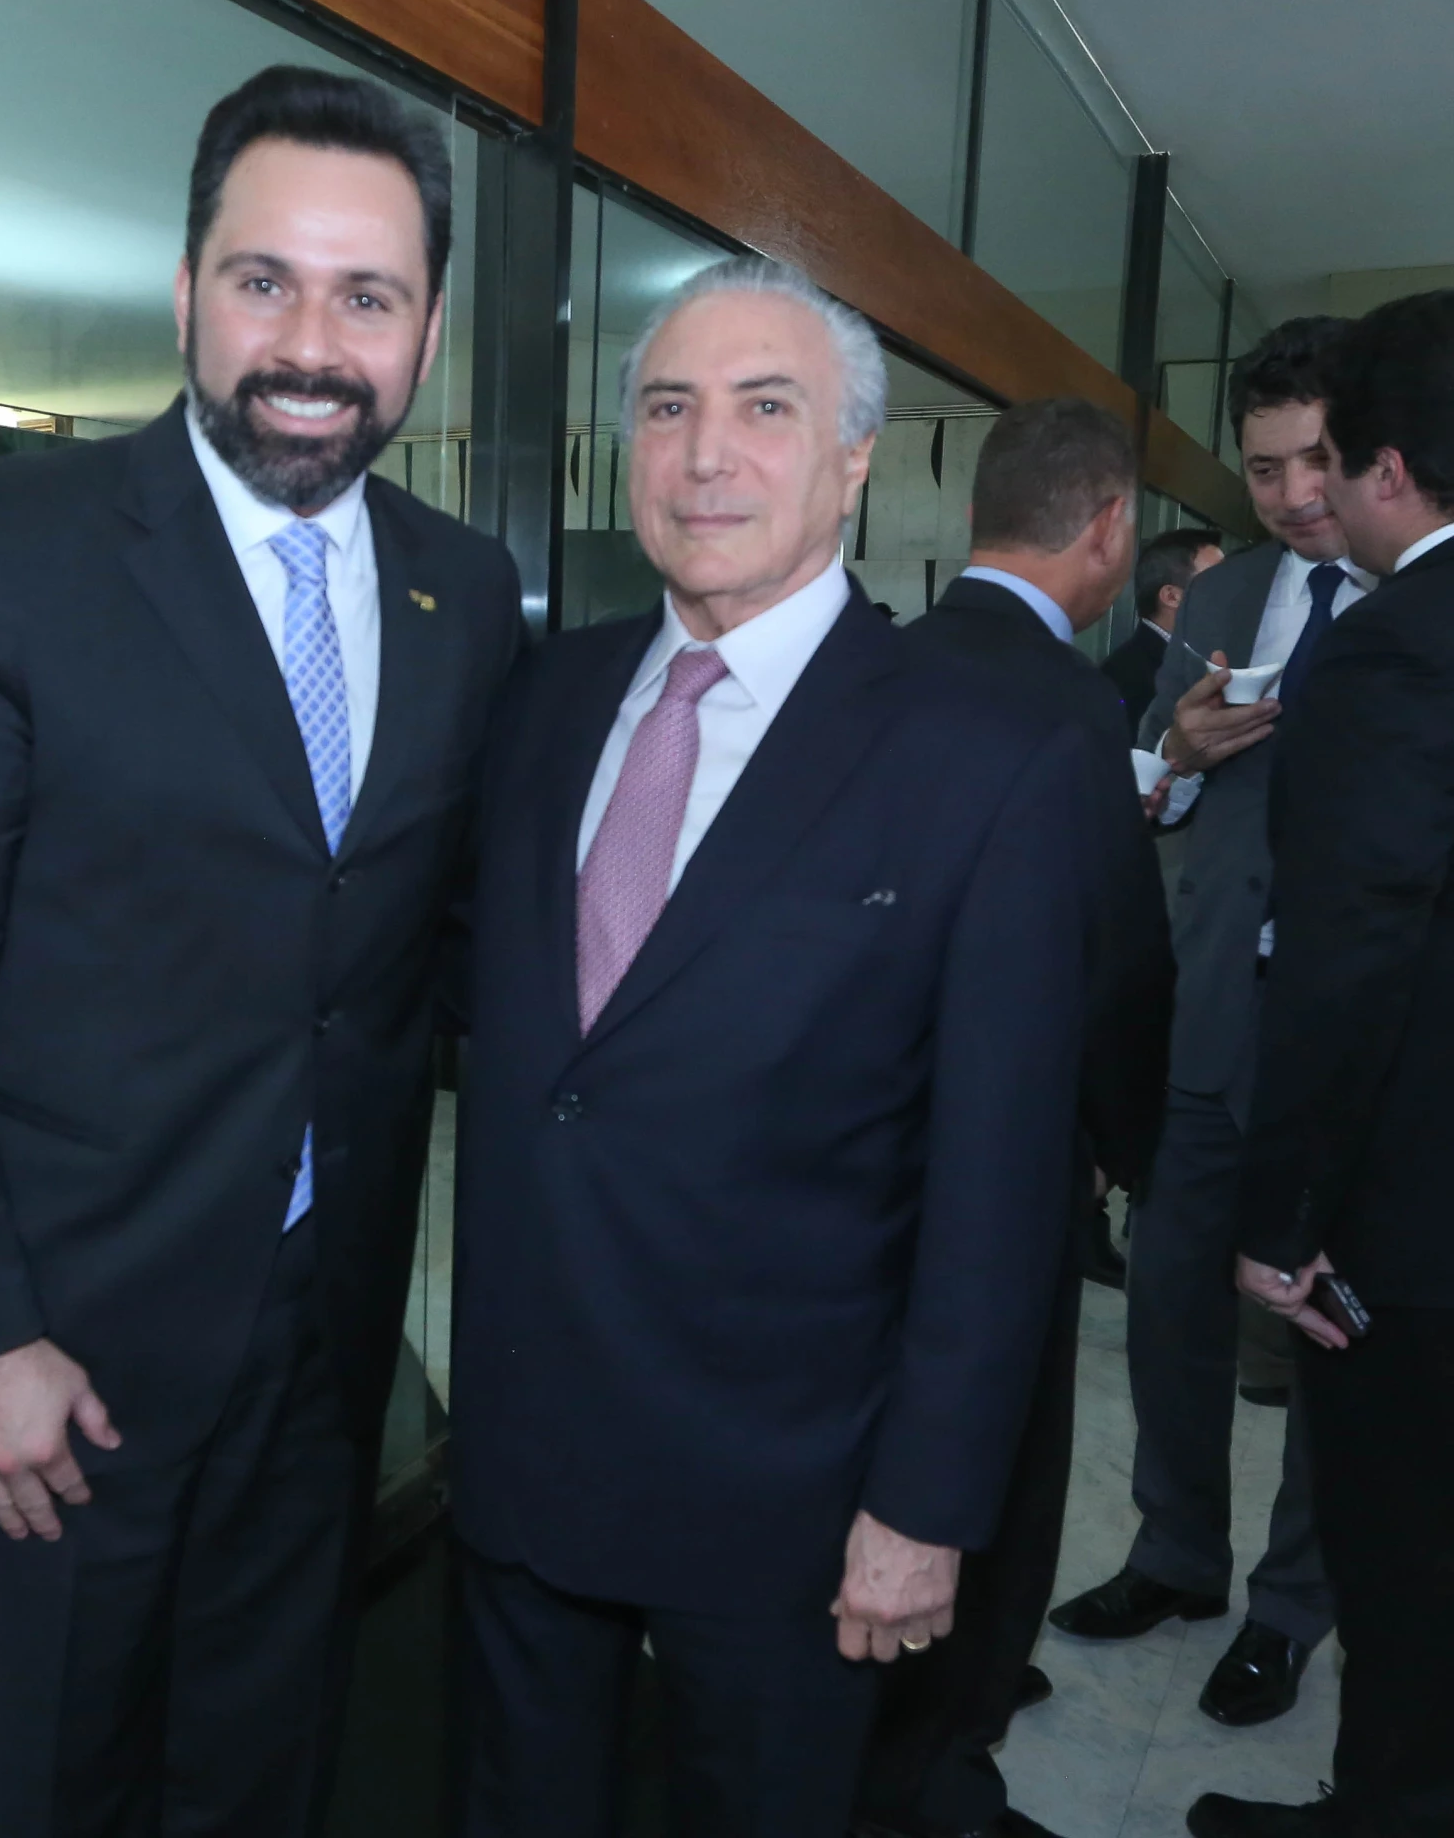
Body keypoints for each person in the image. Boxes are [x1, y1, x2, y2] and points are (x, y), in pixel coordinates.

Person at [0, 66, 522, 1838]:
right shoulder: (4, 548)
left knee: (263, 1757)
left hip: (332, 1332)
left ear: (427, 329)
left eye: (367, 295)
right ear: (188, 287)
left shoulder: (466, 590)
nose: (310, 339)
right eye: (263, 279)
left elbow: (433, 944)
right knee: (54, 1777)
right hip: (65, 1355)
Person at [448, 255, 1092, 1838]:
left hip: (795, 1507)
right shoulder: (550, 697)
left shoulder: (985, 756)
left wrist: (928, 1510)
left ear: (854, 461)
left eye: (764, 408)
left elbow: (1002, 1189)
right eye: (669, 409)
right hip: (525, 1458)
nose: (705, 454)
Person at [853, 399, 1173, 1838]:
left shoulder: (877, 673)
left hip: (859, 1165)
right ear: (1105, 528)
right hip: (1011, 1167)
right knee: (1005, 1457)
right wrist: (1141, 1150)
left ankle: (888, 1695)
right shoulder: (1070, 708)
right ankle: (952, 1740)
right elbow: (1116, 972)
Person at [1049, 319, 1365, 1728]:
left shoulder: (1424, 596)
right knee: (1169, 1301)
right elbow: (1157, 802)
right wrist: (1174, 753)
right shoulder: (1223, 598)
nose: (1296, 494)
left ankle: (1296, 1610)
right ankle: (1177, 1554)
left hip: (1350, 1036)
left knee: (1319, 1335)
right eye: (1265, 467)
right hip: (1205, 1013)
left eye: (1318, 460)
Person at [1192, 290, 1454, 1838]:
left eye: (1334, 463)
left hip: (1416, 1220)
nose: (1313, 499)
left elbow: (1352, 966)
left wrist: (1282, 1220)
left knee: (1402, 1547)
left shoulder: (1393, 655)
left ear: (1392, 470)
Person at [1100, 527, 1224, 742]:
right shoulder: (1128, 676)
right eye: (1217, 583)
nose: (1231, 594)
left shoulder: (1189, 658)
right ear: (1172, 596)